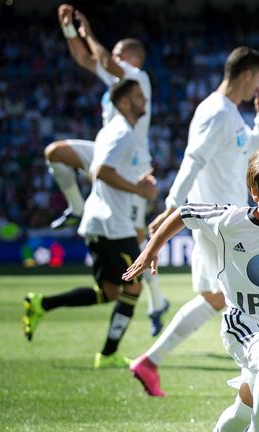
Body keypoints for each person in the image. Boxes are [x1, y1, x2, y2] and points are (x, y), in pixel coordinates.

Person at [122, 143, 259, 432]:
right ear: (256, 191)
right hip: (243, 324)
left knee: (242, 412)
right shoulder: (231, 220)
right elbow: (184, 213)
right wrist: (151, 250)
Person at [129, 46, 259, 397]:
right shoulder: (216, 113)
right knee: (252, 295)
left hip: (223, 220)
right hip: (217, 221)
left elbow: (254, 151)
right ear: (246, 75)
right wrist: (171, 207)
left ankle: (149, 363)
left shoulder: (230, 114)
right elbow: (193, 159)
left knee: (218, 297)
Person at [46, 4, 169, 336]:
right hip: (106, 148)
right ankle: (76, 208)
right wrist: (70, 31)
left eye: (118, 54)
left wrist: (86, 31)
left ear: (132, 59)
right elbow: (86, 60)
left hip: (131, 160)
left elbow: (101, 59)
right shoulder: (118, 80)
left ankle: (157, 302)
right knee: (55, 153)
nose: (111, 57)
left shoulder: (137, 78)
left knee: (136, 236)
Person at [22, 79, 159, 368]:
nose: (143, 100)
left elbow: (103, 168)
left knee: (110, 292)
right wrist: (138, 190)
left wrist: (138, 184)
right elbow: (100, 171)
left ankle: (41, 304)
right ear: (124, 103)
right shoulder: (122, 132)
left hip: (108, 223)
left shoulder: (117, 132)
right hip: (111, 226)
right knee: (133, 288)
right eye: (137, 96)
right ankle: (107, 355)